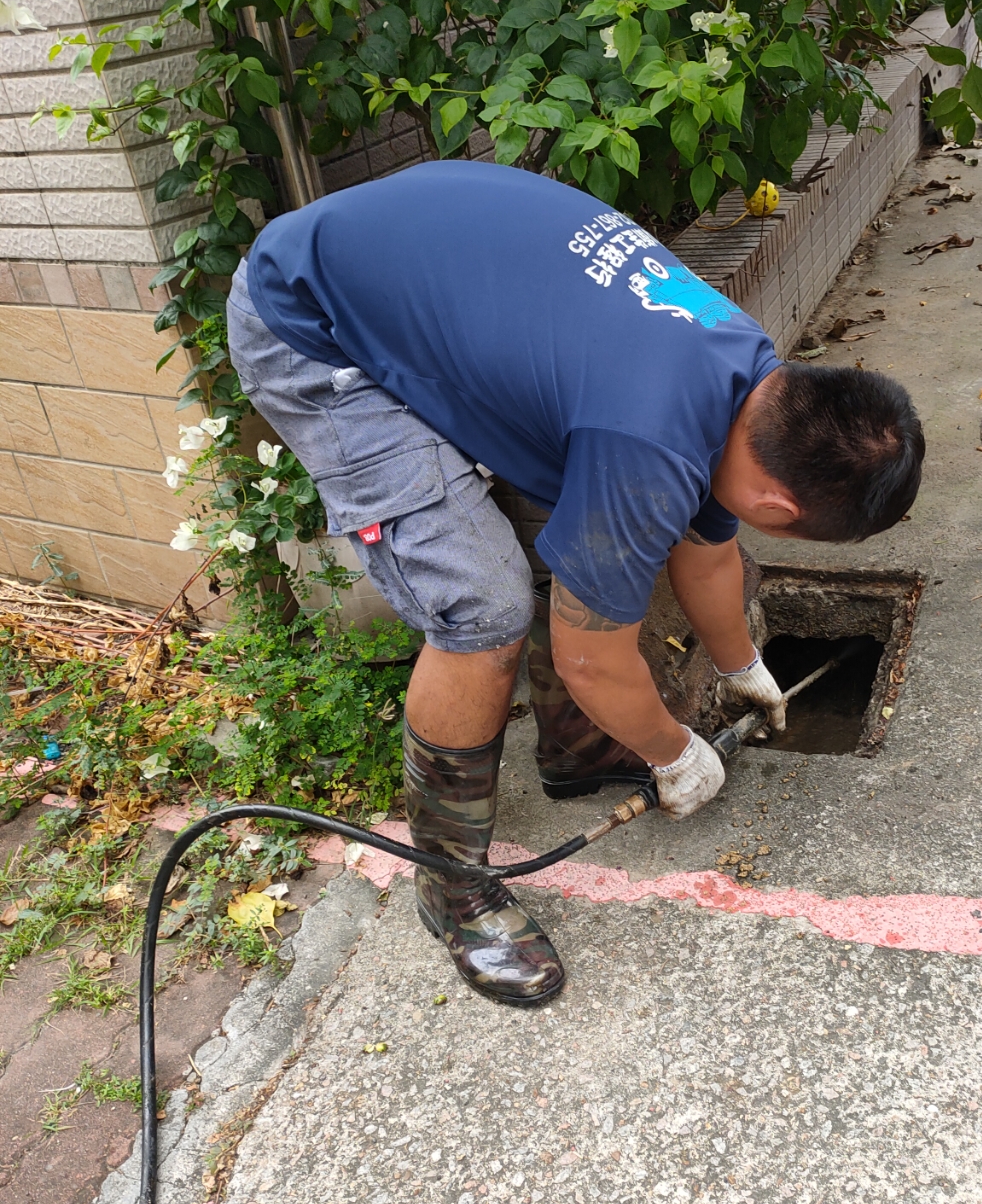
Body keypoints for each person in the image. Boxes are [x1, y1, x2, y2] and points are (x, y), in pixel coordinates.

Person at [227, 161, 924, 1007]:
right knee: (481, 610)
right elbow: (592, 657)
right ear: (778, 500)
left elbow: (705, 545)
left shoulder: (747, 377)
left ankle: (579, 750)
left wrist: (741, 666)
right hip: (310, 318)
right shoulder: (650, 441)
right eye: (782, 525)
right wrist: (673, 749)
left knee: (594, 523)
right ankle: (450, 889)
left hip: (414, 269)